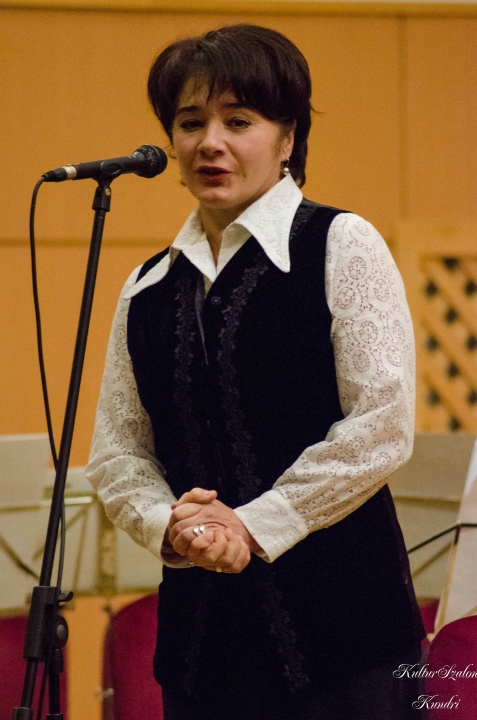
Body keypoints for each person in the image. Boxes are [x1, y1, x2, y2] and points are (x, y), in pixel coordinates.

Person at [86, 24, 425, 720]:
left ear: (287, 136)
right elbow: (118, 450)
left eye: (238, 121)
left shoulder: (341, 243)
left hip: (344, 635)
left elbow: (381, 423)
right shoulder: (146, 285)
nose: (209, 142)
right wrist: (172, 526)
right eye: (190, 123)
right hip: (201, 645)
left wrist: (251, 525)